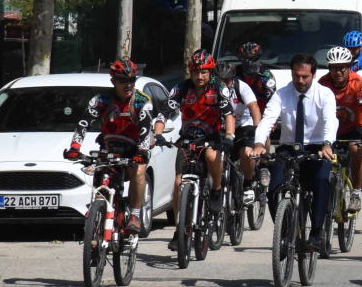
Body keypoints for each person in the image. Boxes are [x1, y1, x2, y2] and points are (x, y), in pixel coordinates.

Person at [65, 59, 165, 236]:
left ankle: (134, 215)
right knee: (100, 174)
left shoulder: (143, 101)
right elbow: (84, 123)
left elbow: (145, 128)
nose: (128, 85)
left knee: (138, 171)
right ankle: (98, 214)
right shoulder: (101, 100)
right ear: (113, 81)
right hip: (110, 147)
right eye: (123, 81)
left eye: (132, 80)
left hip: (136, 148)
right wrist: (74, 146)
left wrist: (141, 151)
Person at [252, 52, 338, 252]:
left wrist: (327, 144)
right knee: (274, 189)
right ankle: (284, 231)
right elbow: (267, 119)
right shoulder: (282, 94)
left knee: (321, 181)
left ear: (314, 75)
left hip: (317, 147)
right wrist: (258, 143)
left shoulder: (324, 94)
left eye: (305, 76)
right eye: (296, 76)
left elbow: (330, 120)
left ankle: (316, 233)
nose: (300, 81)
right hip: (289, 148)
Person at [167, 50, 236, 252]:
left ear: (210, 72)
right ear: (190, 71)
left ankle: (216, 189)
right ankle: (179, 228)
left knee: (211, 155)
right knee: (179, 182)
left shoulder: (218, 87)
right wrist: (159, 134)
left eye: (204, 72)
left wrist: (230, 136)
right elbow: (165, 111)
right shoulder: (182, 88)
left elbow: (229, 114)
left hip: (211, 136)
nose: (199, 77)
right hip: (187, 138)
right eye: (196, 72)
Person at [319, 46, 362, 199]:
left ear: (349, 67)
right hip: (331, 129)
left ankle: (356, 193)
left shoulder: (357, 82)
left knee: (356, 149)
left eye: (342, 68)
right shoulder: (322, 83)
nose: (337, 72)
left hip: (355, 126)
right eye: (333, 68)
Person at [218, 59, 262, 206]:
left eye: (226, 80)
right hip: (222, 127)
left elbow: (254, 108)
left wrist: (257, 130)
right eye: (220, 80)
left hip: (243, 125)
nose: (223, 84)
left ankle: (248, 184)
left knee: (247, 152)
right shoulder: (211, 89)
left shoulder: (241, 87)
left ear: (232, 78)